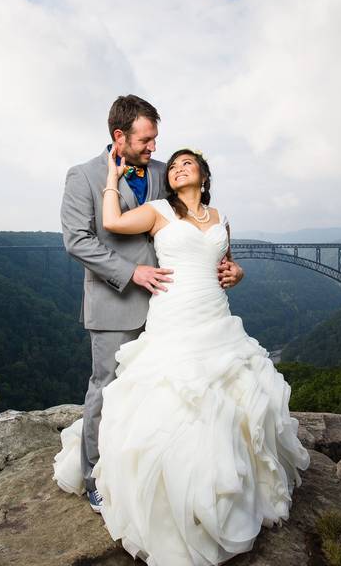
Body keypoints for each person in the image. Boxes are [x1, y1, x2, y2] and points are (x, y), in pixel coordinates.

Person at [54, 146, 311, 565]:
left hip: (215, 314)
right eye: (172, 166)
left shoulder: (221, 217)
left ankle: (229, 489)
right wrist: (110, 180)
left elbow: (225, 262)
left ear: (204, 176)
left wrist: (238, 272)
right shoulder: (158, 211)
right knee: (175, 399)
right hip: (174, 313)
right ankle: (178, 494)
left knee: (232, 396)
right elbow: (111, 221)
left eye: (186, 163)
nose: (176, 169)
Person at [59, 95, 245, 513]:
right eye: (146, 140)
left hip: (172, 307)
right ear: (119, 136)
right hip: (115, 301)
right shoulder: (83, 176)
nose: (153, 148)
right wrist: (131, 272)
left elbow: (196, 226)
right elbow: (77, 240)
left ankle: (154, 477)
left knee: (166, 395)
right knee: (107, 388)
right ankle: (95, 477)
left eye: (155, 139)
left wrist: (230, 267)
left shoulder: (165, 172)